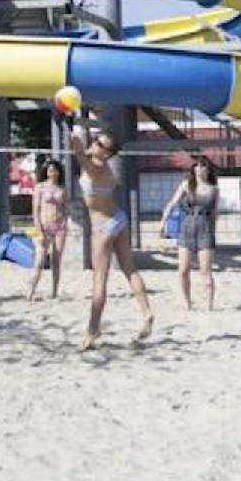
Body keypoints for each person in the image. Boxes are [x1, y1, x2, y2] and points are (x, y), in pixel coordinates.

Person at [71, 121, 155, 348]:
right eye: (95, 140)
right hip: (119, 219)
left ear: (107, 153)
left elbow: (78, 152)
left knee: (99, 281)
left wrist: (73, 130)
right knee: (130, 269)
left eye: (100, 144)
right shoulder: (105, 168)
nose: (94, 144)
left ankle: (92, 331)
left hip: (103, 227)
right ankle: (146, 312)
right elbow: (81, 151)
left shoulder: (95, 168)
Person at [160, 157, 220, 311]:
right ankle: (187, 302)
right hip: (187, 229)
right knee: (183, 270)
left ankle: (209, 305)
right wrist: (163, 222)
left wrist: (213, 233)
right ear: (193, 169)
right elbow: (172, 203)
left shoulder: (214, 189)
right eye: (197, 166)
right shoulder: (186, 185)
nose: (200, 168)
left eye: (203, 166)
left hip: (205, 230)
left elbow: (215, 214)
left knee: (205, 271)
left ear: (208, 169)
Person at [26, 158, 69, 301]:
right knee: (39, 261)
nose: (53, 173)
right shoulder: (40, 187)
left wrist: (65, 223)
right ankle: (31, 290)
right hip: (44, 226)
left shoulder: (62, 189)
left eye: (55, 170)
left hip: (59, 226)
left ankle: (54, 292)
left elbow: (65, 208)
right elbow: (35, 210)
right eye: (50, 170)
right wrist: (39, 230)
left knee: (56, 261)